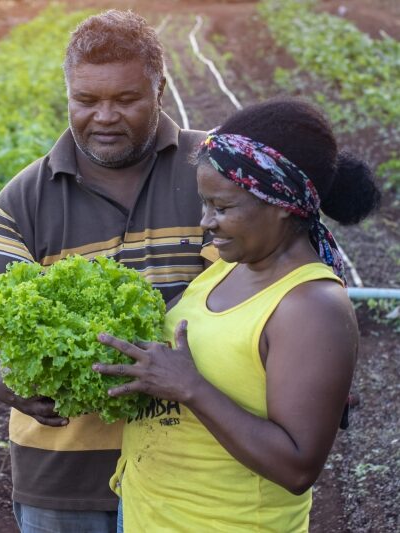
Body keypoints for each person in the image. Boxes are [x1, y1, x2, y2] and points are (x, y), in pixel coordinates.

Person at [0, 10, 215, 533]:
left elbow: (273, 279)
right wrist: (2, 377)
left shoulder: (211, 173)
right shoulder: (23, 200)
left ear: (159, 89)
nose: (104, 117)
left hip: (190, 461)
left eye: (125, 100)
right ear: (68, 94)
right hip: (63, 474)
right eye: (86, 100)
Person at [93, 97, 381, 532]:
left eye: (222, 207)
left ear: (282, 203)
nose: (206, 221)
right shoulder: (227, 269)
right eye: (204, 203)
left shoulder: (311, 306)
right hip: (148, 514)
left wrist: (190, 387)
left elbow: (298, 468)